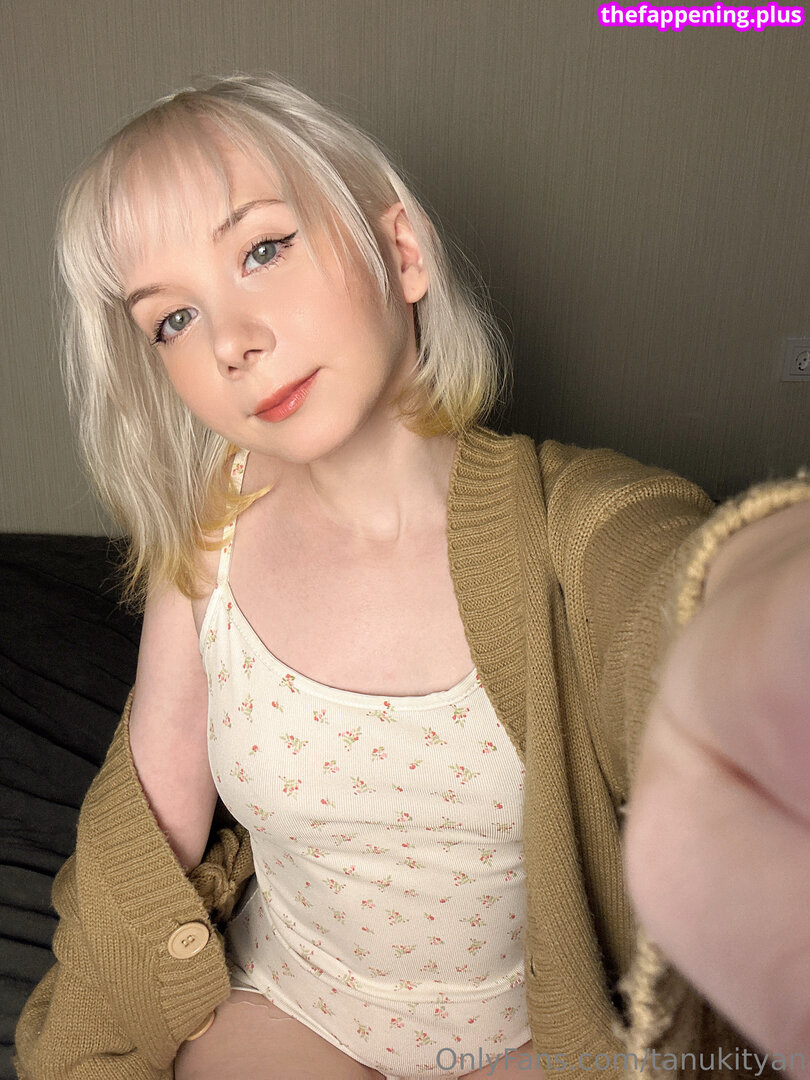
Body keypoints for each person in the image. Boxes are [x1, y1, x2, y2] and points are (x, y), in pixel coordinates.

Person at [12, 71, 810, 1080]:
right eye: (172, 319)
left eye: (262, 250)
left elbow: (670, 574)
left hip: (532, 1029)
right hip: (293, 1004)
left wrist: (764, 593)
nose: (232, 342)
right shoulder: (208, 534)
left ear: (401, 252)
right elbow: (149, 812)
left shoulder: (563, 521)